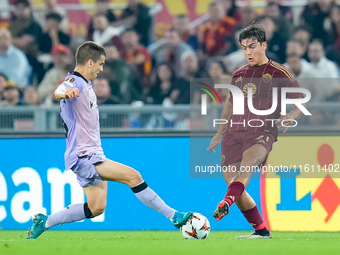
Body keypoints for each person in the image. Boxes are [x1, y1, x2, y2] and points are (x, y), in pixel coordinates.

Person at [26, 41, 193, 239]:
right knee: (134, 176)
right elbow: (59, 90)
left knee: (96, 208)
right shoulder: (75, 81)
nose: (102, 69)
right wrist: (65, 92)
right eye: (100, 64)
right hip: (84, 155)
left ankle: (45, 222)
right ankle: (173, 216)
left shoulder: (86, 84)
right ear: (90, 62)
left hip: (89, 154)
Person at [207, 23, 305, 239]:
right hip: (234, 133)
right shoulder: (238, 74)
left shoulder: (280, 71)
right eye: (244, 48)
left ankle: (225, 202)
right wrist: (219, 133)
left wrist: (291, 116)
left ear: (264, 45)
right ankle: (261, 231)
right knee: (235, 185)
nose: (248, 52)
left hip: (263, 131)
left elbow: (301, 101)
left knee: (247, 166)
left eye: (252, 46)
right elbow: (230, 106)